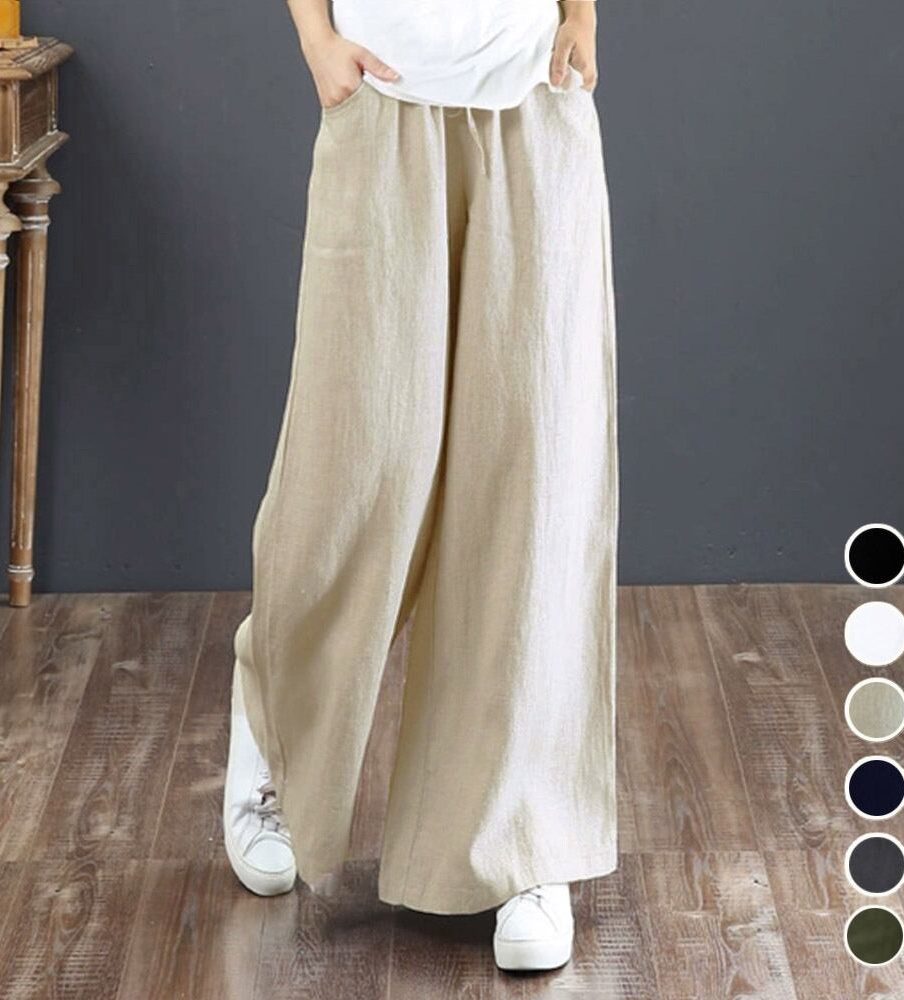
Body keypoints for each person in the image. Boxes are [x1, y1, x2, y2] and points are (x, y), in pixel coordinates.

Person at [224, 0, 618, 973]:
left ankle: (521, 839)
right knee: (357, 463)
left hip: (535, 101)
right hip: (383, 98)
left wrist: (581, 16)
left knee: (528, 481)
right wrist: (315, 41)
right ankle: (274, 735)